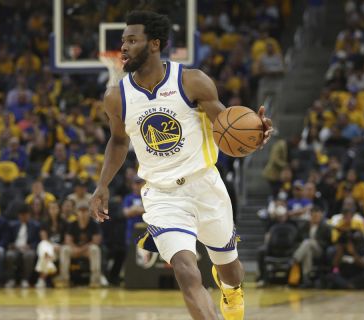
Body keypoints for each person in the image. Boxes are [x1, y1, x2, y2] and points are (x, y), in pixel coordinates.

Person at [90, 10, 273, 320]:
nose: (123, 47)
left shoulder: (191, 81)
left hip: (205, 185)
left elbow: (226, 123)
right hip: (162, 196)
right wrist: (102, 184)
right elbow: (119, 142)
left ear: (154, 44)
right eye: (123, 41)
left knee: (230, 270)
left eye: (132, 40)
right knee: (186, 271)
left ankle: (231, 289)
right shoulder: (116, 97)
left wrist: (255, 131)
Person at [60, 202, 103, 288]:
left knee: (95, 249)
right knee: (65, 249)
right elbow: (68, 240)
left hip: (86, 250)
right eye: (80, 211)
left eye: (85, 211)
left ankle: (95, 281)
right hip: (75, 249)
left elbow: (96, 241)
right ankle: (64, 280)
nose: (83, 213)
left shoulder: (94, 224)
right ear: (76, 213)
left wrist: (81, 249)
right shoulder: (72, 224)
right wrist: (75, 248)